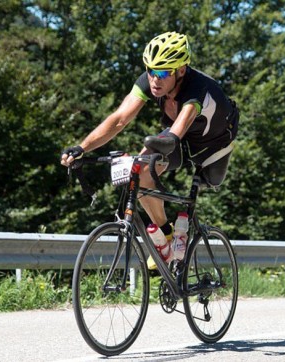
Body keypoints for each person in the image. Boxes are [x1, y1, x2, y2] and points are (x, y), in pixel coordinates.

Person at [61, 31, 239, 270]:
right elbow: (119, 119)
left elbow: (177, 131)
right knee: (140, 171)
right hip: (180, 137)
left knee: (182, 168)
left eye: (164, 73)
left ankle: (186, 241)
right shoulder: (151, 82)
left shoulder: (197, 89)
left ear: (181, 71)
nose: (155, 79)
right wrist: (82, 147)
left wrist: (153, 147)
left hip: (213, 145)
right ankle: (165, 238)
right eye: (151, 70)